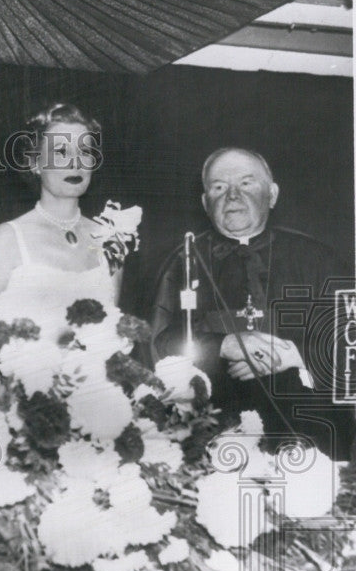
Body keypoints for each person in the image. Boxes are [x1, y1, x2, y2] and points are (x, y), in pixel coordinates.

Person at [151, 147, 353, 458]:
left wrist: (293, 356)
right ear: (205, 203)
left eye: (246, 183)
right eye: (218, 187)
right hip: (208, 433)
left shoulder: (319, 260)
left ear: (271, 194)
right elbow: (155, 343)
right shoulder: (182, 262)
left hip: (310, 435)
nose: (232, 196)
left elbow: (350, 350)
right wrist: (223, 344)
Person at [0, 103, 118, 338]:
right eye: (61, 152)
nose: (75, 162)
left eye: (85, 151)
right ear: (35, 163)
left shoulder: (109, 238)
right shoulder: (7, 238)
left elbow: (112, 331)